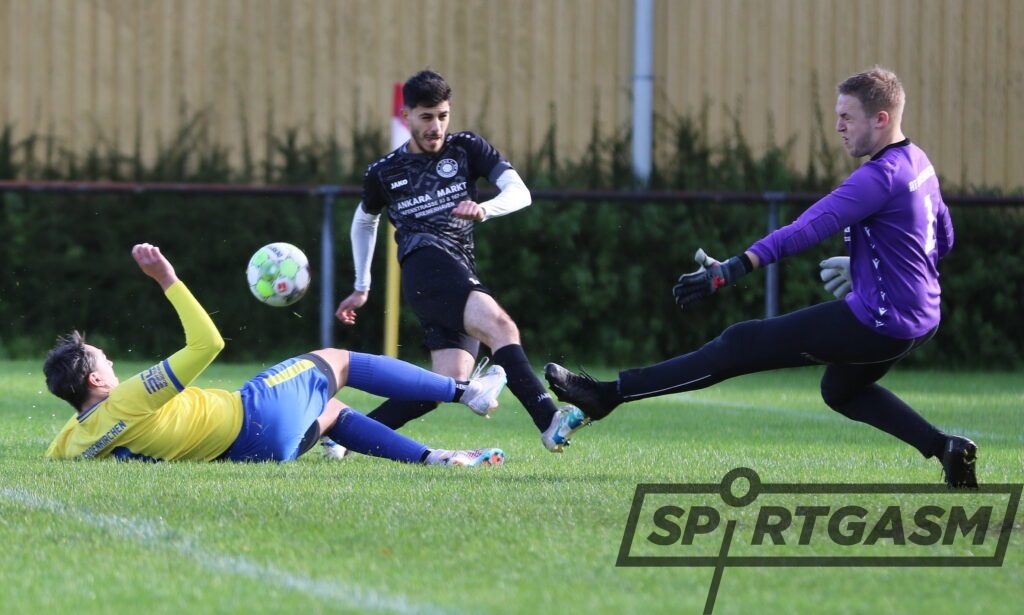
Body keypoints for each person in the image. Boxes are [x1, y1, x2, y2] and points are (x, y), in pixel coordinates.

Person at [544, 67, 978, 488]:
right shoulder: (917, 162)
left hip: (883, 322)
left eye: (847, 117)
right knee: (841, 389)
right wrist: (873, 266)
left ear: (881, 119)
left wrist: (734, 268)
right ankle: (946, 448)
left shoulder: (878, 176)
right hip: (921, 316)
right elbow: (944, 237)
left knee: (740, 343)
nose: (838, 127)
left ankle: (607, 395)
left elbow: (807, 228)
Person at [44, 243, 508, 467]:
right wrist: (167, 279)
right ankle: (465, 390)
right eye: (103, 360)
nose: (111, 364)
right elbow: (208, 344)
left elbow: (53, 458)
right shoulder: (128, 398)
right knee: (336, 360)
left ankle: (435, 459)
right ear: (96, 383)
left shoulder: (74, 441)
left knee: (331, 410)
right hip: (255, 416)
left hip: (250, 455)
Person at [334, 69, 587, 453]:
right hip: (424, 264)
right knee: (501, 326)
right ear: (407, 117)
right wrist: (362, 285)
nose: (436, 126)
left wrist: (485, 210)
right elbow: (363, 220)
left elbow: (520, 193)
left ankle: (346, 437)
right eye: (426, 117)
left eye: (442, 116)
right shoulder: (384, 172)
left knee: (445, 382)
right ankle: (549, 419)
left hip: (458, 268)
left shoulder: (467, 148)